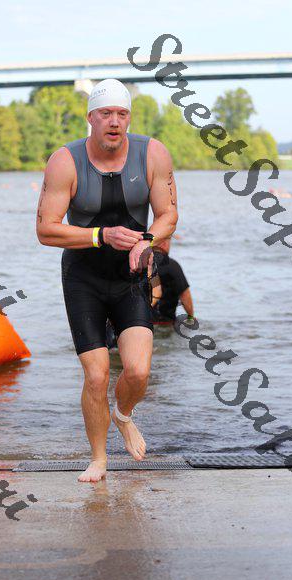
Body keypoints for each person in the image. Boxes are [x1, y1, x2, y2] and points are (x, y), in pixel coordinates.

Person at [36, 79, 178, 483]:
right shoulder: (65, 161)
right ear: (91, 118)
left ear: (129, 118)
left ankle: (124, 415)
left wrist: (147, 240)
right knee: (97, 375)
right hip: (83, 278)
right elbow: (45, 229)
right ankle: (98, 459)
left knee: (138, 372)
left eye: (121, 114)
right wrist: (102, 235)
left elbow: (169, 215)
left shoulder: (153, 154)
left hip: (131, 277)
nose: (114, 121)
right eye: (106, 114)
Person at [150, 240, 194, 325]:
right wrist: (190, 317)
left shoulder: (140, 263)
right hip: (165, 322)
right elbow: (185, 295)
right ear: (164, 243)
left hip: (141, 321)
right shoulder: (172, 265)